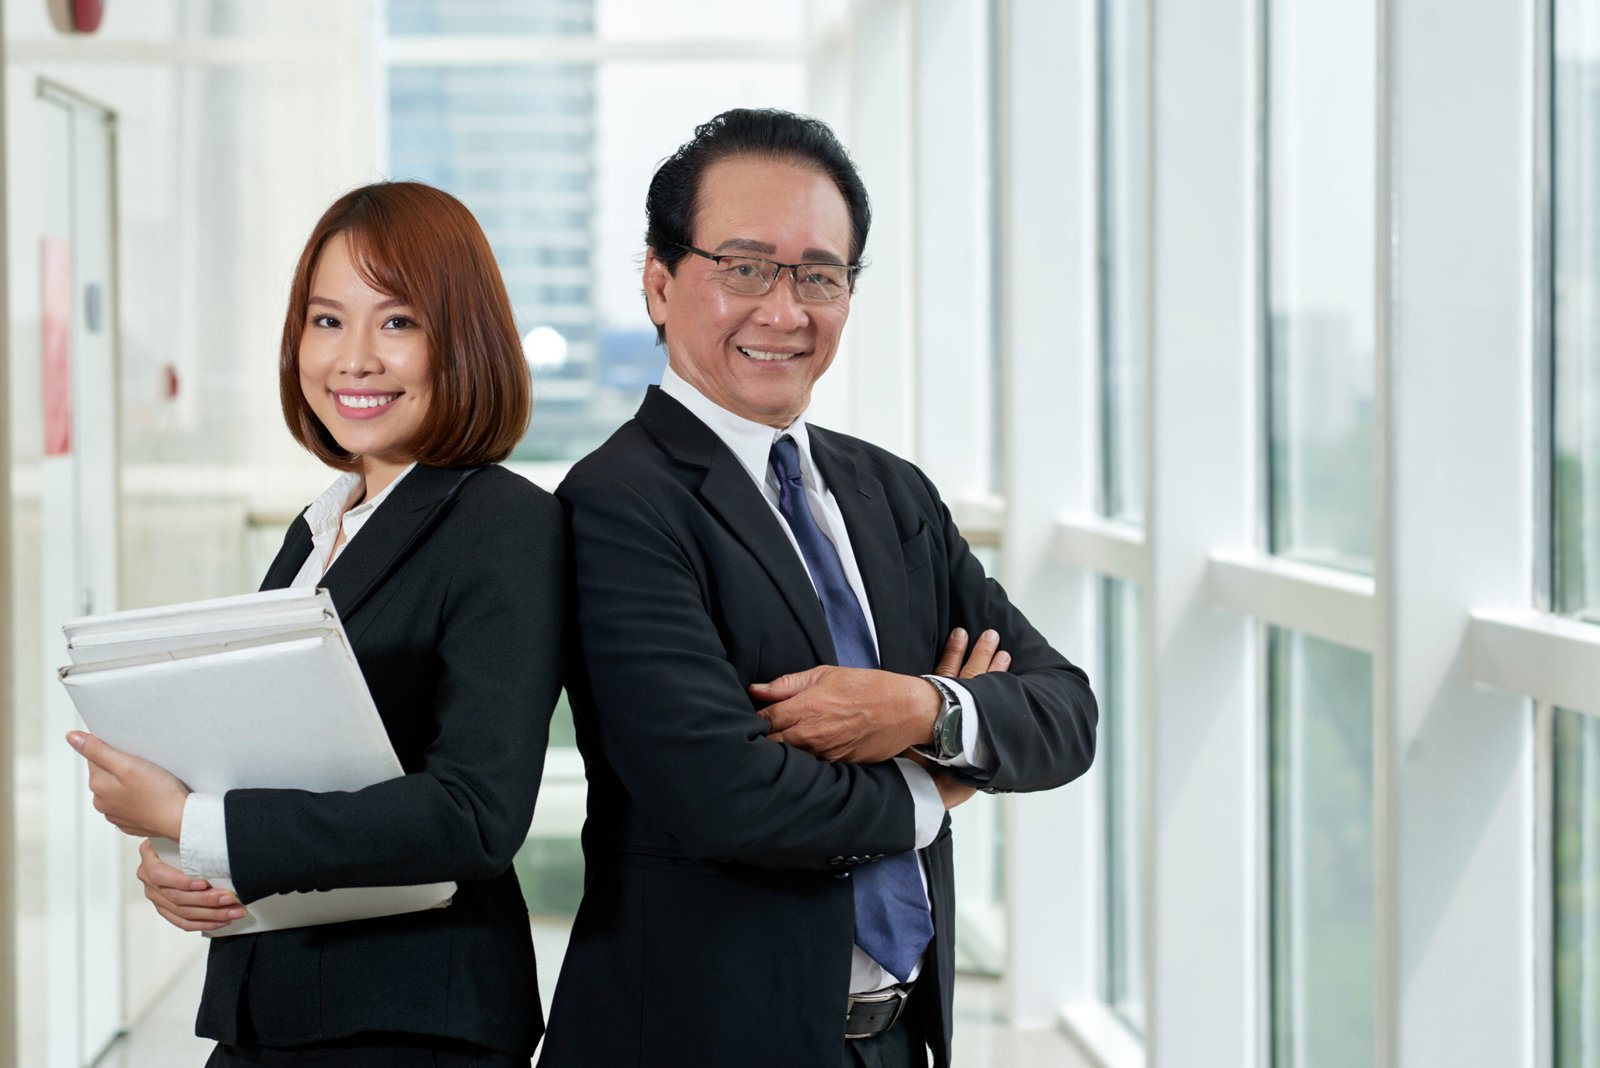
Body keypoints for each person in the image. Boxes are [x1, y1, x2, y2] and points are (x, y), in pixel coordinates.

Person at [538, 108, 1098, 1068]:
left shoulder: (889, 492)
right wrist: (937, 787)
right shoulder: (615, 502)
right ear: (660, 282)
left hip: (895, 1041)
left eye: (818, 276)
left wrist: (919, 706)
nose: (783, 310)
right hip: (695, 1041)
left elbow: (1064, 711)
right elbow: (732, 798)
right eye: (745, 267)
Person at [66, 181, 565, 1066]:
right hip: (274, 1006)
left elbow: (476, 814)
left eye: (399, 322)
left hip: (409, 1022)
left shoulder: (502, 522)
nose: (356, 359)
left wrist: (198, 822)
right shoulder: (319, 527)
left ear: (464, 339)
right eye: (328, 321)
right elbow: (270, 767)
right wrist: (186, 862)